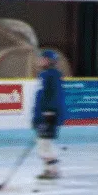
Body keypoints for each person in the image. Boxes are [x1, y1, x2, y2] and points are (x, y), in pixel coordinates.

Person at [33, 47, 66, 181]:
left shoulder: (52, 75)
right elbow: (40, 97)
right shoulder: (44, 75)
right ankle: (49, 169)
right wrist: (36, 117)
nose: (40, 61)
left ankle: (52, 170)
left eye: (43, 58)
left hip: (49, 115)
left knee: (44, 144)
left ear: (49, 61)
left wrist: (50, 113)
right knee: (43, 143)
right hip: (44, 115)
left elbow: (55, 96)